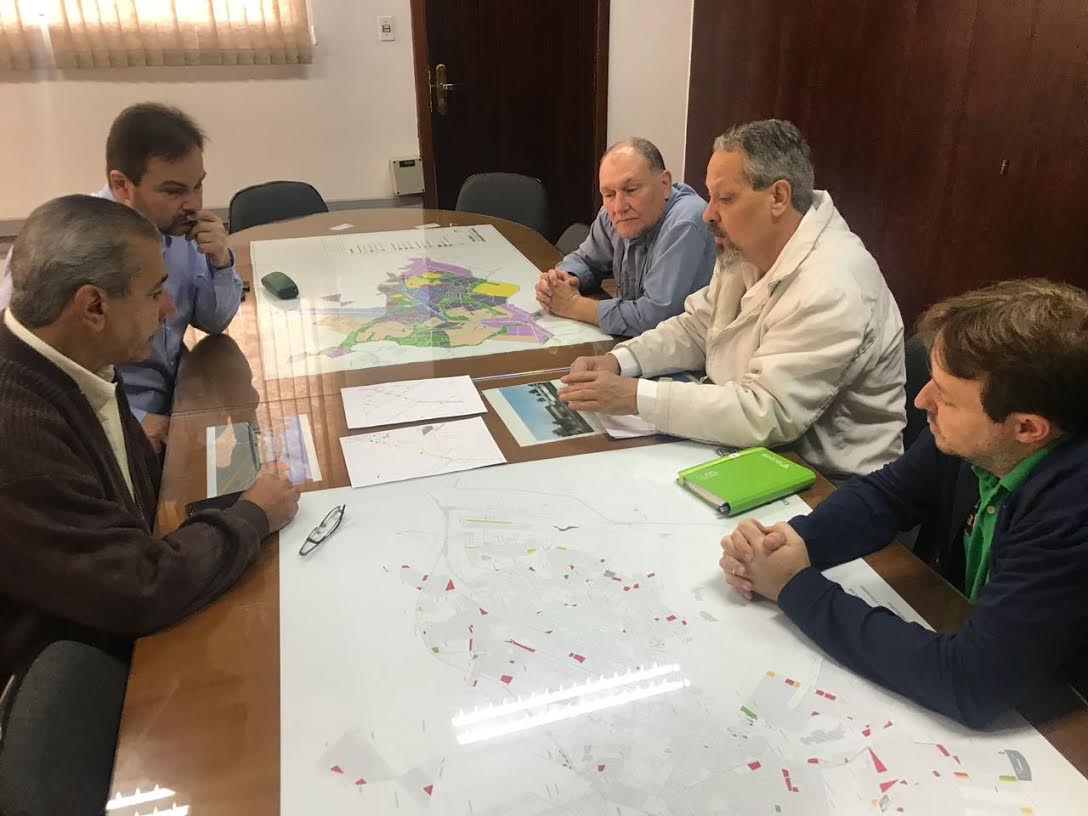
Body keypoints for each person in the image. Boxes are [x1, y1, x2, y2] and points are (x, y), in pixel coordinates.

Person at [720, 279, 1088, 728]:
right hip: (971, 627)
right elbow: (887, 495)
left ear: (1027, 428)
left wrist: (795, 588)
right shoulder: (977, 438)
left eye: (945, 397)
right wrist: (786, 544)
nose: (921, 400)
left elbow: (970, 682)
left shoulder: (1073, 511)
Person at [0, 195, 298, 698]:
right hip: (79, 677)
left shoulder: (81, 359)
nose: (169, 309)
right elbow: (138, 587)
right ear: (94, 306)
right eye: (155, 292)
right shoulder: (19, 434)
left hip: (107, 623)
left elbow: (136, 508)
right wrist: (252, 517)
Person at [559, 119, 905, 479]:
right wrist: (620, 360)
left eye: (724, 198)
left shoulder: (832, 285)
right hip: (757, 448)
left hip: (828, 482)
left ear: (778, 197)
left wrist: (635, 397)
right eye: (710, 196)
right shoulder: (748, 247)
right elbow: (698, 327)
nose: (708, 213)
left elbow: (766, 413)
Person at [0, 102, 243, 454]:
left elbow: (214, 321)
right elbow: (18, 365)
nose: (192, 204)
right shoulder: (65, 243)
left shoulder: (181, 228)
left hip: (182, 395)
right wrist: (133, 420)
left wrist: (221, 263)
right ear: (121, 184)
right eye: (174, 191)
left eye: (198, 186)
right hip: (109, 426)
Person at [535, 137, 715, 337]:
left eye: (630, 190)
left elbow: (655, 317)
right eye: (609, 194)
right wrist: (565, 279)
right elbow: (585, 260)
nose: (619, 207)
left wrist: (573, 305)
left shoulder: (686, 222)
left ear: (665, 184)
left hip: (692, 349)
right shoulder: (613, 214)